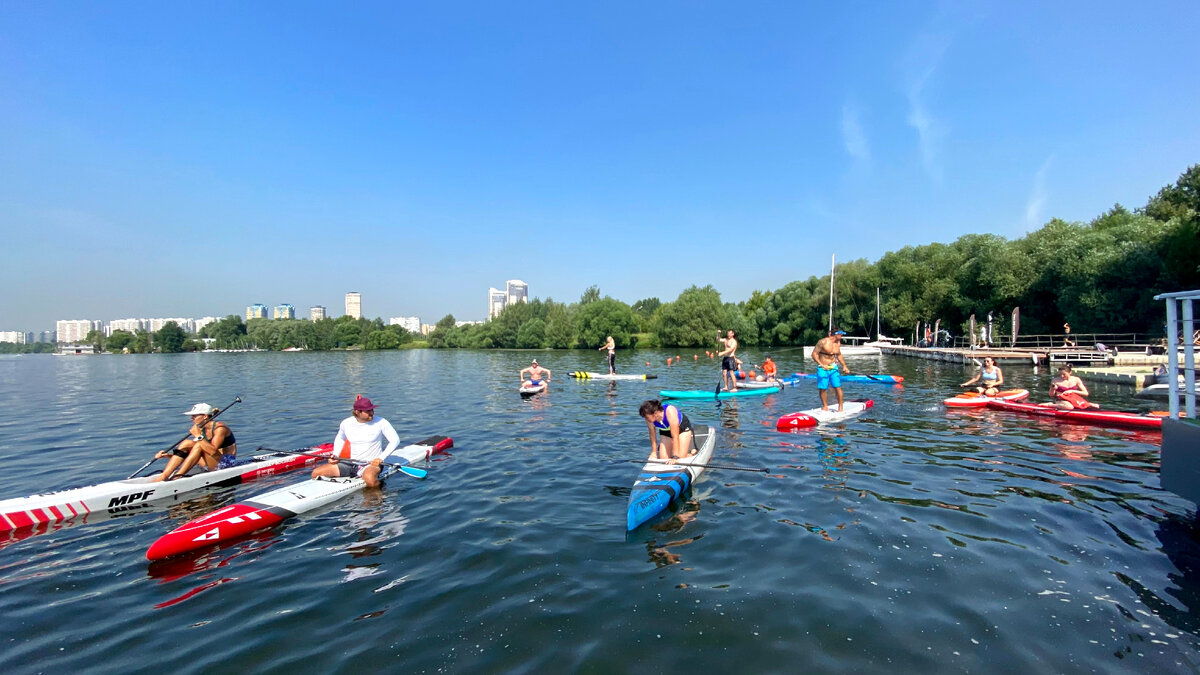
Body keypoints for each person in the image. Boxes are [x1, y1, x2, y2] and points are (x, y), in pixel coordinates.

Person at [312, 395, 399, 488]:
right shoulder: (346, 423)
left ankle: (379, 497)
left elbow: (395, 440)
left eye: (372, 410)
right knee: (316, 473)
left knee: (369, 479)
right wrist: (336, 455)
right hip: (351, 463)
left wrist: (380, 458)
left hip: (371, 464)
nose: (372, 413)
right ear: (357, 412)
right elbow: (340, 438)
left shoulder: (381, 422)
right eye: (368, 411)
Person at [152, 403, 238, 482]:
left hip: (225, 464)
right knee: (186, 443)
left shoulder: (220, 428)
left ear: (205, 416)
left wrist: (198, 435)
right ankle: (164, 476)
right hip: (210, 462)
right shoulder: (201, 428)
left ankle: (177, 477)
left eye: (194, 416)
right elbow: (193, 454)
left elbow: (213, 451)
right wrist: (168, 455)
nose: (191, 419)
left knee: (199, 445)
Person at [639, 399, 695, 464]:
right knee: (664, 459)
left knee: (680, 458)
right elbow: (652, 434)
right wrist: (653, 452)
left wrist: (675, 457)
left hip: (682, 430)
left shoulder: (670, 411)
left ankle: (691, 454)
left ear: (655, 413)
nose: (646, 419)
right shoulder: (649, 419)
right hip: (665, 432)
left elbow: (675, 435)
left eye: (647, 417)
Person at [811, 329, 851, 411]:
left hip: (833, 367)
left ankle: (840, 407)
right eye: (841, 334)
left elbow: (839, 355)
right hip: (823, 368)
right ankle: (825, 406)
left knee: (838, 387)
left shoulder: (838, 343)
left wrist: (844, 366)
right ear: (835, 334)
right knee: (823, 388)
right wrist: (822, 365)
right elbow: (814, 354)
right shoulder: (823, 342)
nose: (842, 336)